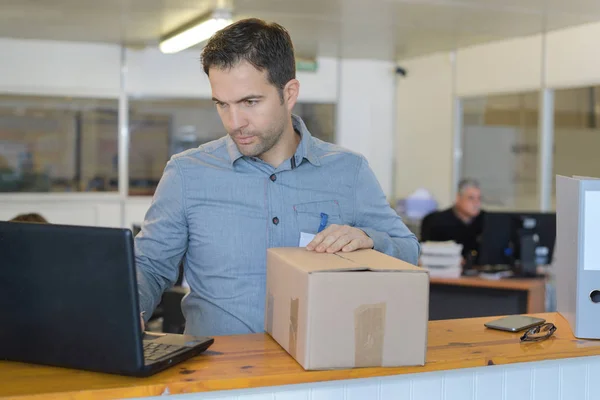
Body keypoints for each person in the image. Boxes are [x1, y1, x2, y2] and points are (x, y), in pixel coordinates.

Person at [135, 18, 420, 337]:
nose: (234, 122)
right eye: (222, 105)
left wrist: (370, 239)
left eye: (250, 102)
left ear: (290, 92)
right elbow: (149, 265)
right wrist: (131, 308)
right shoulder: (187, 173)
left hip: (318, 372)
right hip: (217, 375)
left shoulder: (348, 171)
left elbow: (408, 249)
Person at [420, 179, 484, 263]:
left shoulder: (486, 221)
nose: (476, 203)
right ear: (458, 198)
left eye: (479, 198)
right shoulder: (435, 221)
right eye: (471, 198)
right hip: (443, 270)